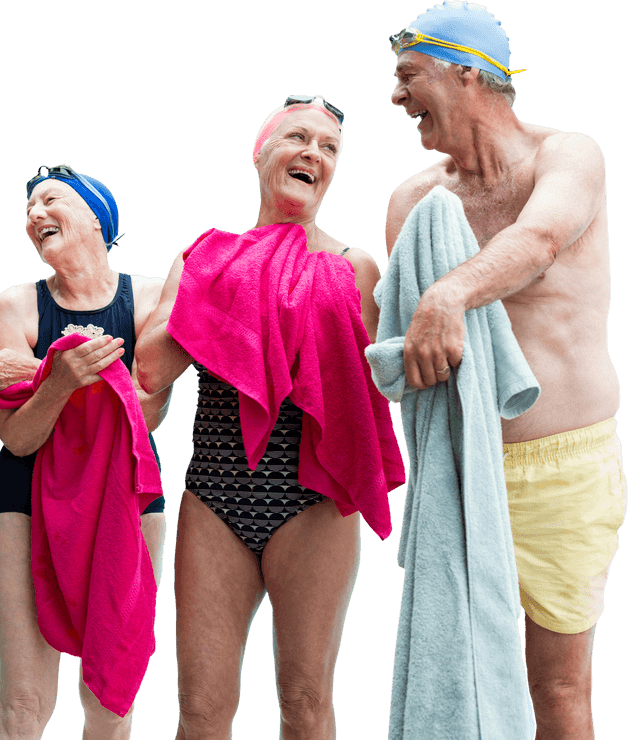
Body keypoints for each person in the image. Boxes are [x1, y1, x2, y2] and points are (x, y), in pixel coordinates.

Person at [385, 3, 624, 738]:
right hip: (460, 473)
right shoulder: (414, 203)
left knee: (556, 692)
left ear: (466, 73)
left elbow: (543, 238)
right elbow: (401, 342)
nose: (396, 98)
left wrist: (450, 293)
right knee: (458, 683)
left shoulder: (569, 156)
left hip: (566, 469)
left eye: (408, 76)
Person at [137, 96, 403, 740]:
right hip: (217, 496)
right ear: (262, 153)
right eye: (298, 137)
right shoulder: (204, 255)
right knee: (202, 711)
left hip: (315, 498)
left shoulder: (354, 267)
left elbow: (380, 392)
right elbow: (150, 368)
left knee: (306, 698)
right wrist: (221, 286)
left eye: (330, 148)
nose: (314, 153)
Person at [0, 164, 167, 740]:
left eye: (49, 200)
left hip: (125, 497)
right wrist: (57, 381)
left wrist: (35, 371)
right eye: (28, 211)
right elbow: (16, 436)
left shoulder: (152, 296)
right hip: (26, 496)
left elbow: (149, 411)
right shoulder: (15, 305)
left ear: (96, 217)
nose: (34, 216)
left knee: (110, 693)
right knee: (23, 700)